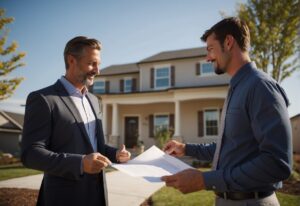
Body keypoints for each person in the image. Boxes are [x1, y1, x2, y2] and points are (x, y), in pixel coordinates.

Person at [161, 17, 292, 206]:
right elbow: (230, 146)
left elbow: (277, 163)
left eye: (211, 49)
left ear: (228, 42)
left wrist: (204, 180)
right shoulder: (237, 88)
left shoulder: (261, 87)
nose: (207, 58)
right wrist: (186, 148)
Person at [21, 36, 131, 206]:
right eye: (92, 63)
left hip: (97, 195)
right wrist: (79, 163)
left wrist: (115, 154)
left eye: (98, 64)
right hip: (63, 198)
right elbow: (31, 154)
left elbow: (95, 146)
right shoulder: (43, 99)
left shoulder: (94, 100)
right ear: (71, 60)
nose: (97, 70)